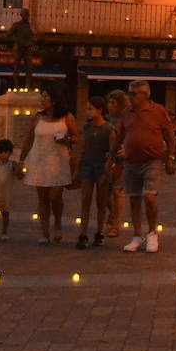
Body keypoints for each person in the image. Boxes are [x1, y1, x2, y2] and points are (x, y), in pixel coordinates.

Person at [116, 79, 175, 253]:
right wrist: (112, 159)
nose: (131, 97)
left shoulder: (158, 111)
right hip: (131, 161)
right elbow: (120, 135)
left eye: (134, 94)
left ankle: (152, 232)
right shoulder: (127, 113)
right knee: (134, 199)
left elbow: (170, 135)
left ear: (145, 95)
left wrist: (170, 157)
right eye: (130, 93)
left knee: (149, 197)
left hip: (152, 161)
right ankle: (136, 235)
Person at [20, 89, 78, 244]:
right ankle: (44, 232)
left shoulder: (66, 117)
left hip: (59, 160)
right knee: (43, 198)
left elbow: (77, 137)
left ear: (54, 99)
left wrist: (67, 138)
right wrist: (21, 160)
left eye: (46, 96)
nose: (42, 99)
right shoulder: (38, 117)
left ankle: (58, 223)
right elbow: (29, 138)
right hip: (40, 160)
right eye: (42, 96)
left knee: (55, 196)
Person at [75, 97, 110, 248]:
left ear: (100, 110)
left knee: (101, 202)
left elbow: (111, 150)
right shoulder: (87, 128)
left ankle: (99, 232)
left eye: (90, 109)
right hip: (88, 164)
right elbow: (83, 148)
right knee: (85, 199)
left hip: (101, 165)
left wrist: (109, 168)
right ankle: (83, 234)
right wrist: (78, 166)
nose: (87, 112)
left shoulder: (108, 129)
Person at [104, 89, 129, 237]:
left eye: (113, 103)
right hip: (106, 158)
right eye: (109, 102)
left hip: (121, 160)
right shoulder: (105, 119)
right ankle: (112, 213)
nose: (109, 105)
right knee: (105, 193)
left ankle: (115, 225)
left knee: (117, 191)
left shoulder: (128, 120)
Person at [9, 8, 36, 90]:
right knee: (16, 67)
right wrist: (17, 40)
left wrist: (31, 42)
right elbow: (9, 34)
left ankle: (27, 85)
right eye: (24, 14)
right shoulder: (16, 25)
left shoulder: (30, 26)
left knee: (29, 67)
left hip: (27, 48)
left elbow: (35, 37)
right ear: (21, 15)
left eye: (27, 15)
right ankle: (16, 85)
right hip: (18, 48)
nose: (26, 16)